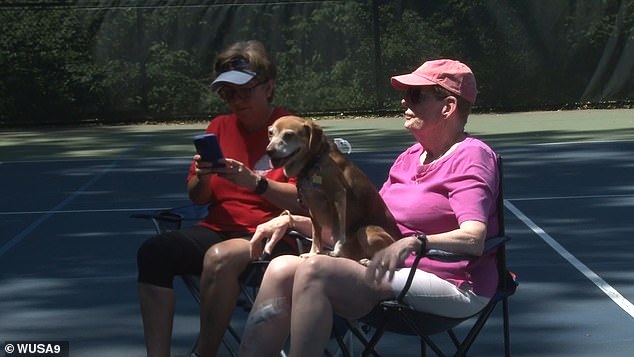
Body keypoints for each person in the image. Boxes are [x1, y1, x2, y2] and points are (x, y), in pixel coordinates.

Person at [238, 59, 500, 357]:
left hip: (452, 281)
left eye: (415, 95)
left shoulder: (471, 156)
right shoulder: (410, 157)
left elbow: (474, 239)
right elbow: (360, 223)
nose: (404, 101)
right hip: (391, 267)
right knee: (282, 267)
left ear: (448, 107)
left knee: (315, 269)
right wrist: (291, 221)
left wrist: (416, 242)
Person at [136, 40, 304, 357]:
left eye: (244, 91)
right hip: (219, 227)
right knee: (154, 252)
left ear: (269, 87)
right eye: (228, 93)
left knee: (219, 257)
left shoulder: (293, 129)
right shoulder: (219, 127)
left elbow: (305, 202)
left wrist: (255, 183)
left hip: (275, 233)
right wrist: (203, 173)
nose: (236, 100)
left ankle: (205, 354)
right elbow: (198, 196)